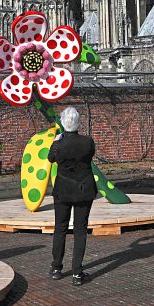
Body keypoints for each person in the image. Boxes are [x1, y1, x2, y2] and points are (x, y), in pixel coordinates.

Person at [47, 106, 97, 286]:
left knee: (60, 228)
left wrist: (57, 140)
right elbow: (90, 155)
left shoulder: (58, 144)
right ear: (78, 123)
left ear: (62, 122)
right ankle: (77, 273)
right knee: (80, 230)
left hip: (63, 190)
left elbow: (50, 158)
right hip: (84, 189)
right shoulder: (88, 142)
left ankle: (56, 268)